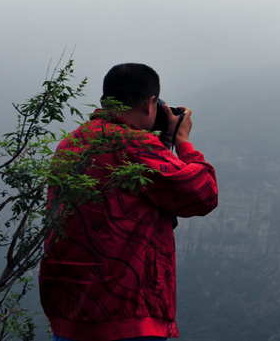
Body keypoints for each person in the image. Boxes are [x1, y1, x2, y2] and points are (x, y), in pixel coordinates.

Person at [39, 63, 218, 341]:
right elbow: (203, 194)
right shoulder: (135, 146)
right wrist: (182, 141)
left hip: (69, 315)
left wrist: (163, 145)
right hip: (125, 319)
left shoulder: (71, 143)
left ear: (104, 100)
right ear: (150, 104)